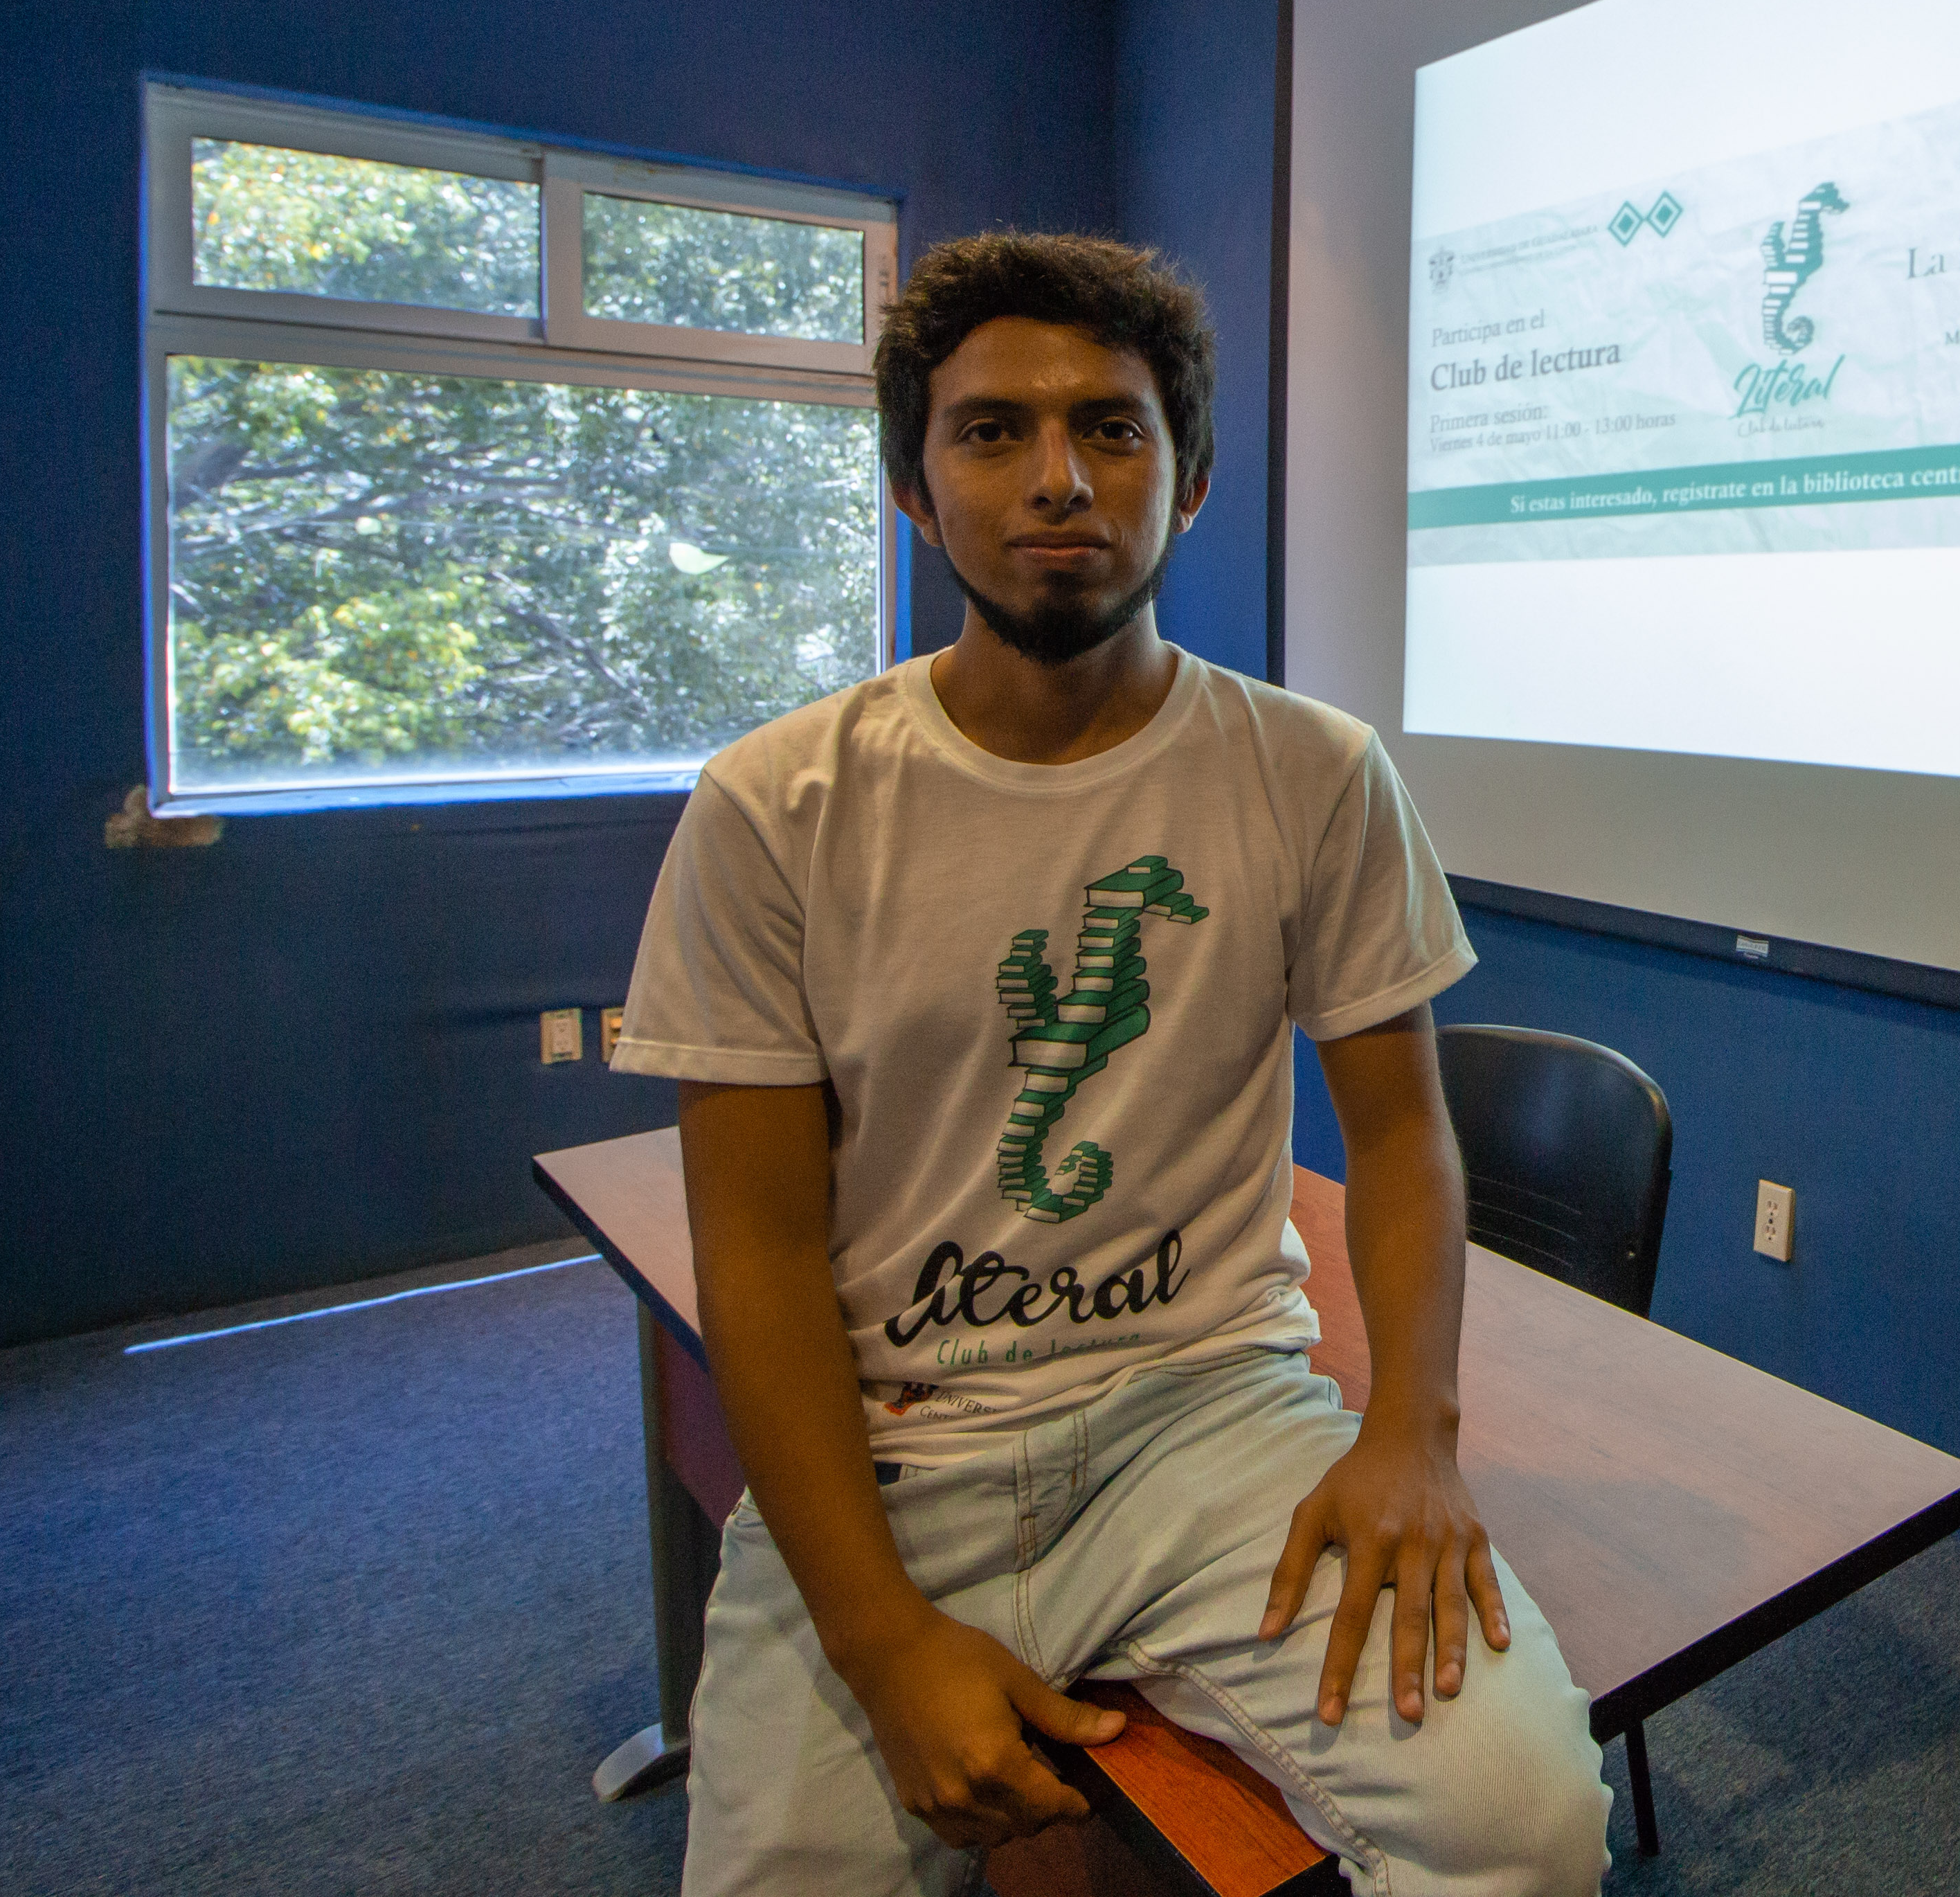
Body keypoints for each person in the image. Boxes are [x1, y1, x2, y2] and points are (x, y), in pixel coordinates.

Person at [612, 232, 1610, 1897]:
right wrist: (875, 1639)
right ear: (915, 493)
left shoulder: (1314, 776)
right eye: (992, 431)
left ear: (1192, 481)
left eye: (1114, 429)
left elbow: (1405, 1143)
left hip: (1207, 1413)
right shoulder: (774, 808)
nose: (1059, 478)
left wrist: (1413, 1438)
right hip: (896, 1450)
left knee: (1525, 1825)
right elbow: (761, 1256)